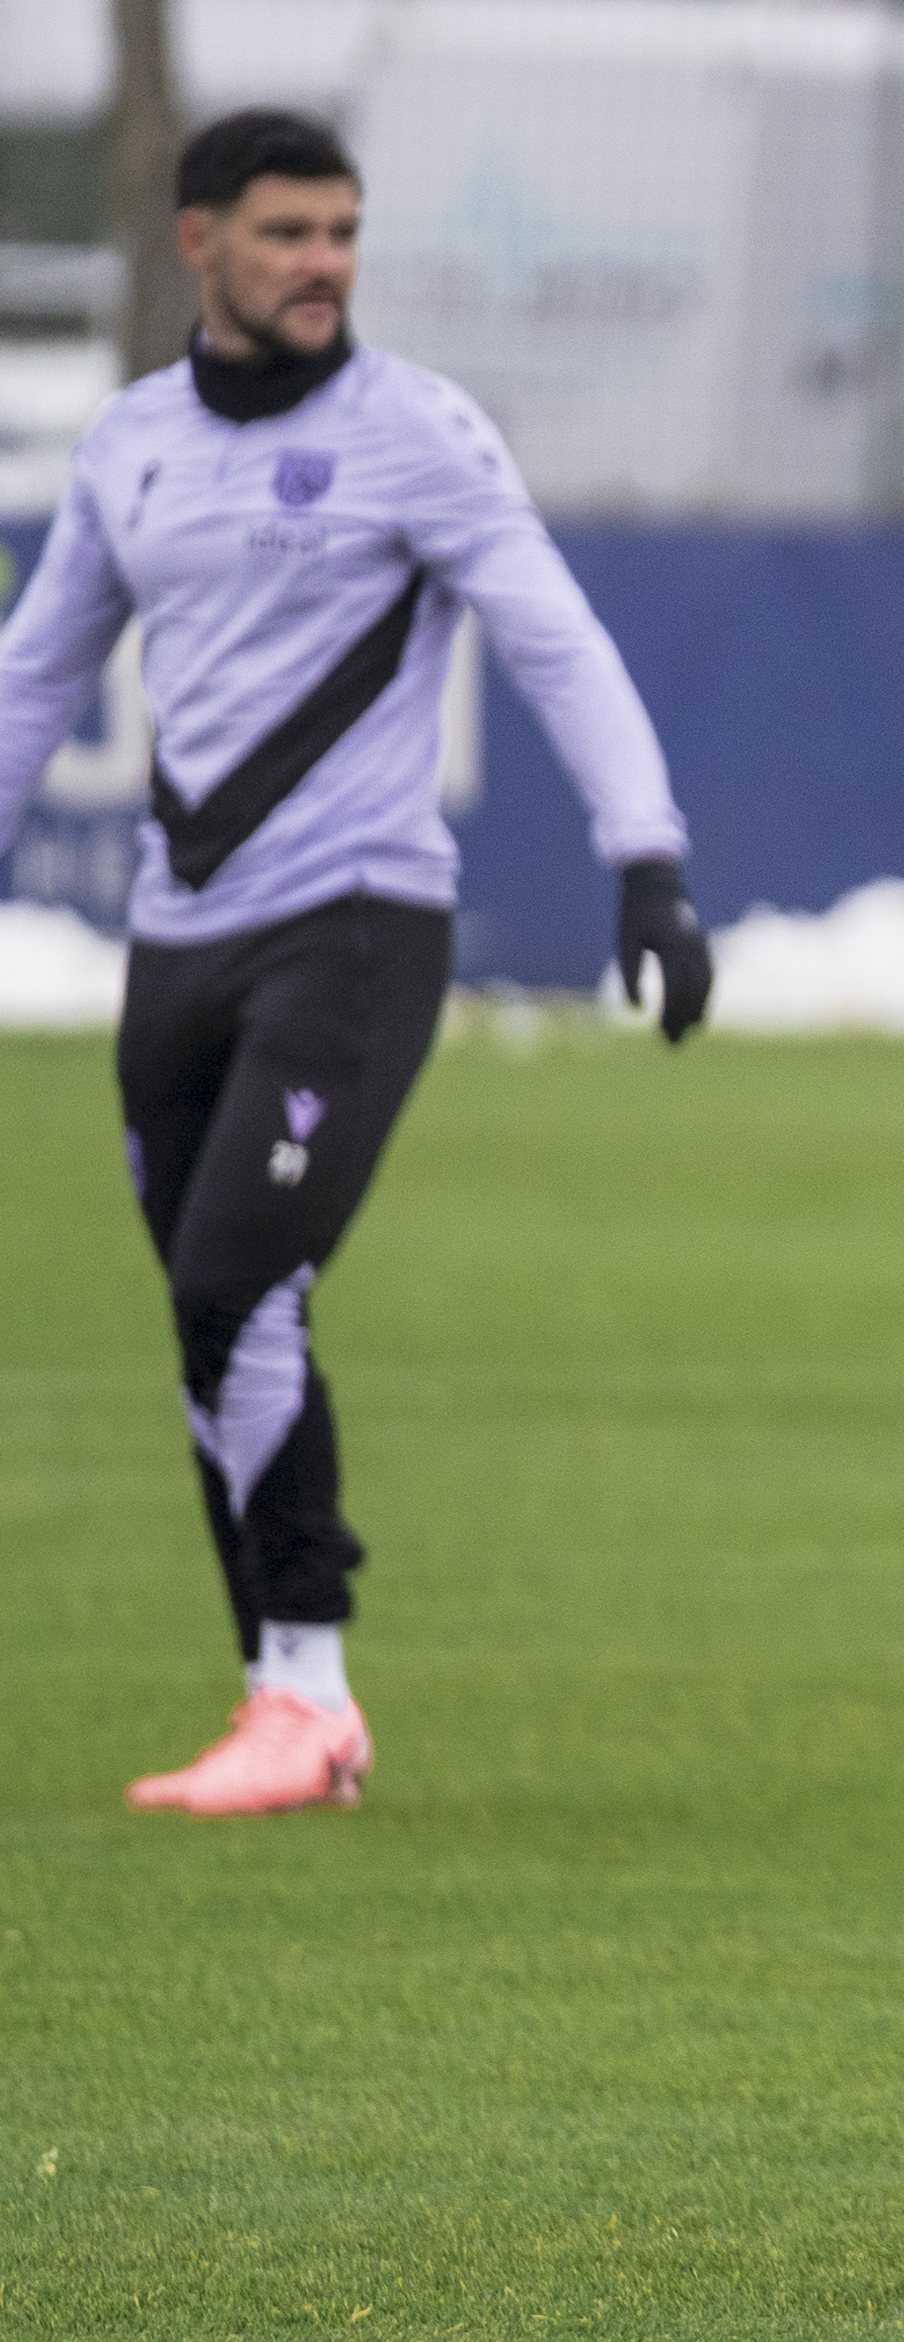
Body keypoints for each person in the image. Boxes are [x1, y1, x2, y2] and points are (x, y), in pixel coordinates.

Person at [0, 109, 710, 1819]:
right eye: (288, 233)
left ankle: (307, 1683)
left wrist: (650, 860)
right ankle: (281, 1699)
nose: (325, 263)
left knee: (231, 1284)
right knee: (214, 1325)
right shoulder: (129, 448)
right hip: (178, 955)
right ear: (198, 243)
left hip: (361, 931)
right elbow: (35, 680)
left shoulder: (418, 435)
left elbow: (554, 635)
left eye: (344, 232)